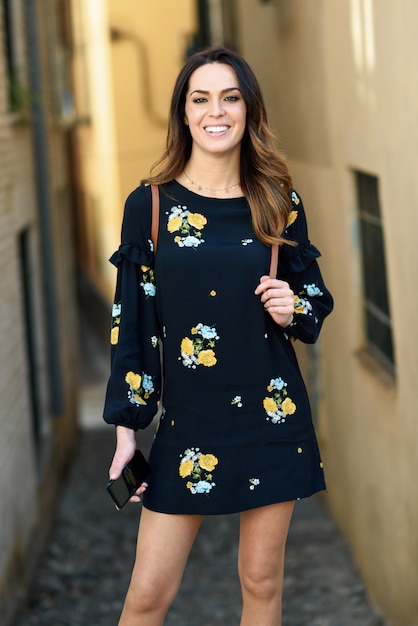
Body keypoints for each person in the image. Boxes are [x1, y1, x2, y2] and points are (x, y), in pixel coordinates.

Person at [103, 46, 333, 626]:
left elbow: (314, 302)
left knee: (261, 581)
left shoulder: (278, 200)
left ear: (249, 110)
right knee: (148, 594)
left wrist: (292, 309)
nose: (216, 111)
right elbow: (132, 322)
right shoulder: (149, 205)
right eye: (200, 98)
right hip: (190, 423)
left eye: (230, 97)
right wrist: (129, 428)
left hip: (272, 415)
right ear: (184, 113)